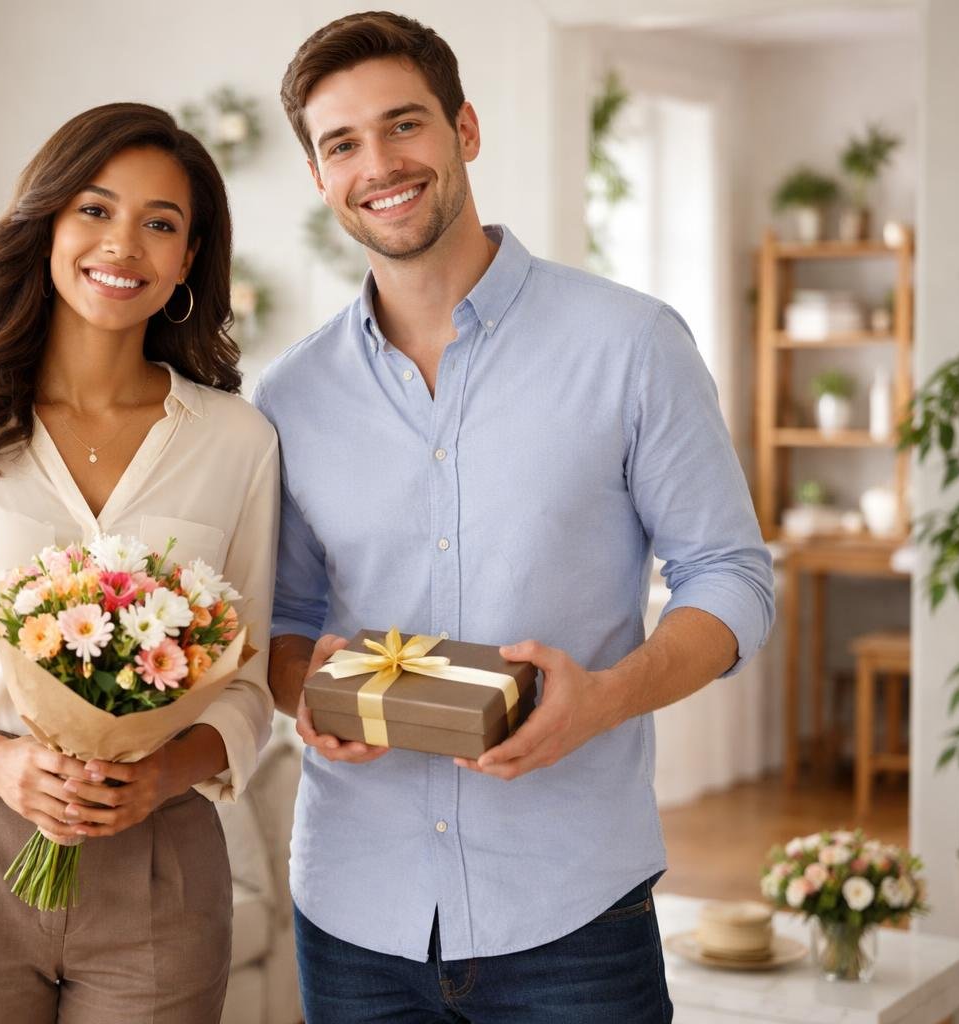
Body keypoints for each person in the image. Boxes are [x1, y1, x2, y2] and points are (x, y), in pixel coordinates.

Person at [254, 13, 775, 1023]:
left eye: (405, 125)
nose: (381, 164)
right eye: (343, 144)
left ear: (465, 130)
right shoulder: (290, 395)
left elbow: (731, 576)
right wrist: (305, 692)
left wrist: (609, 697)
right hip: (355, 913)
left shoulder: (629, 345)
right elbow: (286, 619)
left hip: (571, 912)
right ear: (320, 176)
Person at [0, 102, 279, 1024]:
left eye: (162, 223)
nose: (125, 243)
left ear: (188, 260)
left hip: (162, 855)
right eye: (96, 209)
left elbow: (250, 684)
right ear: (46, 222)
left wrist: (158, 774)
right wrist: (1, 768)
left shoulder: (238, 441)